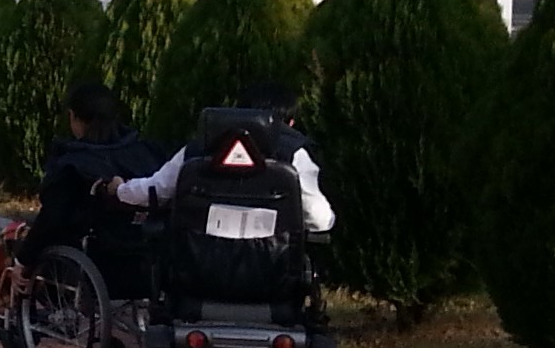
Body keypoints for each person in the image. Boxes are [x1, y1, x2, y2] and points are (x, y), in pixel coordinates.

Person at [102, 79, 335, 232]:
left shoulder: (198, 149)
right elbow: (320, 220)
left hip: (198, 273)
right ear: (290, 123)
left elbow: (155, 190)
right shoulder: (294, 156)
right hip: (274, 277)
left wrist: (119, 189)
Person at [29, 82, 163, 257]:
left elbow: (50, 220)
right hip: (151, 246)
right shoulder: (147, 151)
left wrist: (22, 260)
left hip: (97, 252)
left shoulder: (72, 166)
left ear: (73, 117)